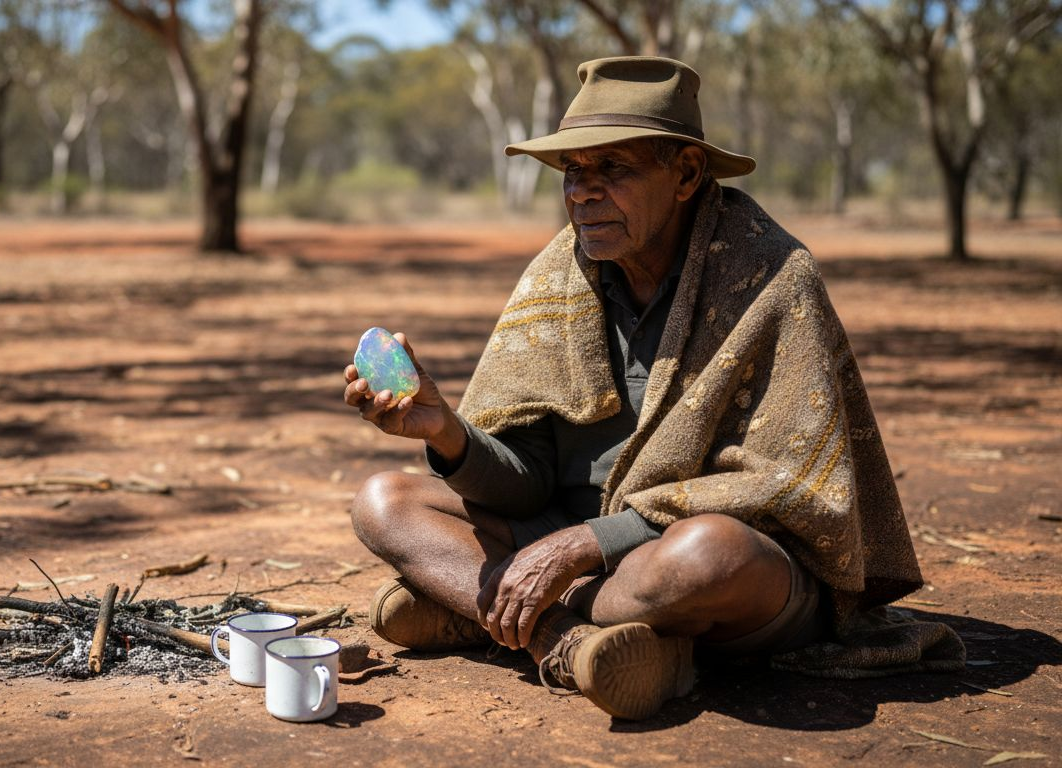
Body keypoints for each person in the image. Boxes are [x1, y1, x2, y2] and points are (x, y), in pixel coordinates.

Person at [342, 56, 962, 721]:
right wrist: (447, 433)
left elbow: (783, 490)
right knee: (384, 500)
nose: (582, 193)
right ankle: (564, 642)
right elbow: (528, 481)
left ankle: (477, 607)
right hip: (575, 554)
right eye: (572, 172)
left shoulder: (773, 278)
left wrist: (587, 545)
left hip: (713, 568)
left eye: (613, 169)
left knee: (706, 557)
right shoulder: (560, 274)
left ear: (687, 173)